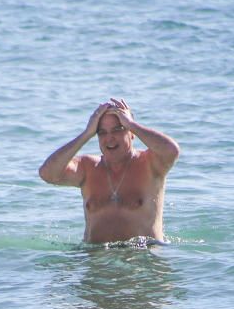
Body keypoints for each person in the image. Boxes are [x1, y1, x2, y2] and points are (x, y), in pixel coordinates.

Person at [38, 98, 180, 244]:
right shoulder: (87, 167)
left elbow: (172, 150)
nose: (109, 139)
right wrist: (86, 134)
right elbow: (48, 174)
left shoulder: (150, 164)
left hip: (141, 258)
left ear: (132, 134)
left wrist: (131, 124)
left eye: (117, 130)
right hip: (94, 257)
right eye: (102, 133)